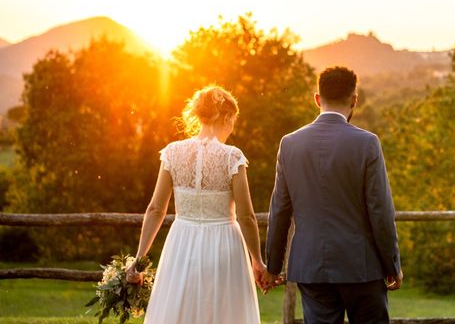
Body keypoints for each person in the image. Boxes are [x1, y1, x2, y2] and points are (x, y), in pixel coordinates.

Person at [263, 66, 402, 324]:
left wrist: (272, 266)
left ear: (317, 98)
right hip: (362, 265)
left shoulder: (289, 143)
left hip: (311, 266)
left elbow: (279, 209)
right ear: (354, 100)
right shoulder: (367, 143)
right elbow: (380, 211)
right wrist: (392, 265)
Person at [126, 85, 265, 323]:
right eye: (233, 120)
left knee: (181, 308)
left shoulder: (172, 152)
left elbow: (156, 209)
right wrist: (257, 261)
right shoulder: (232, 156)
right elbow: (246, 217)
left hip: (182, 243)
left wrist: (138, 260)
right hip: (224, 244)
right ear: (227, 117)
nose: (233, 127)